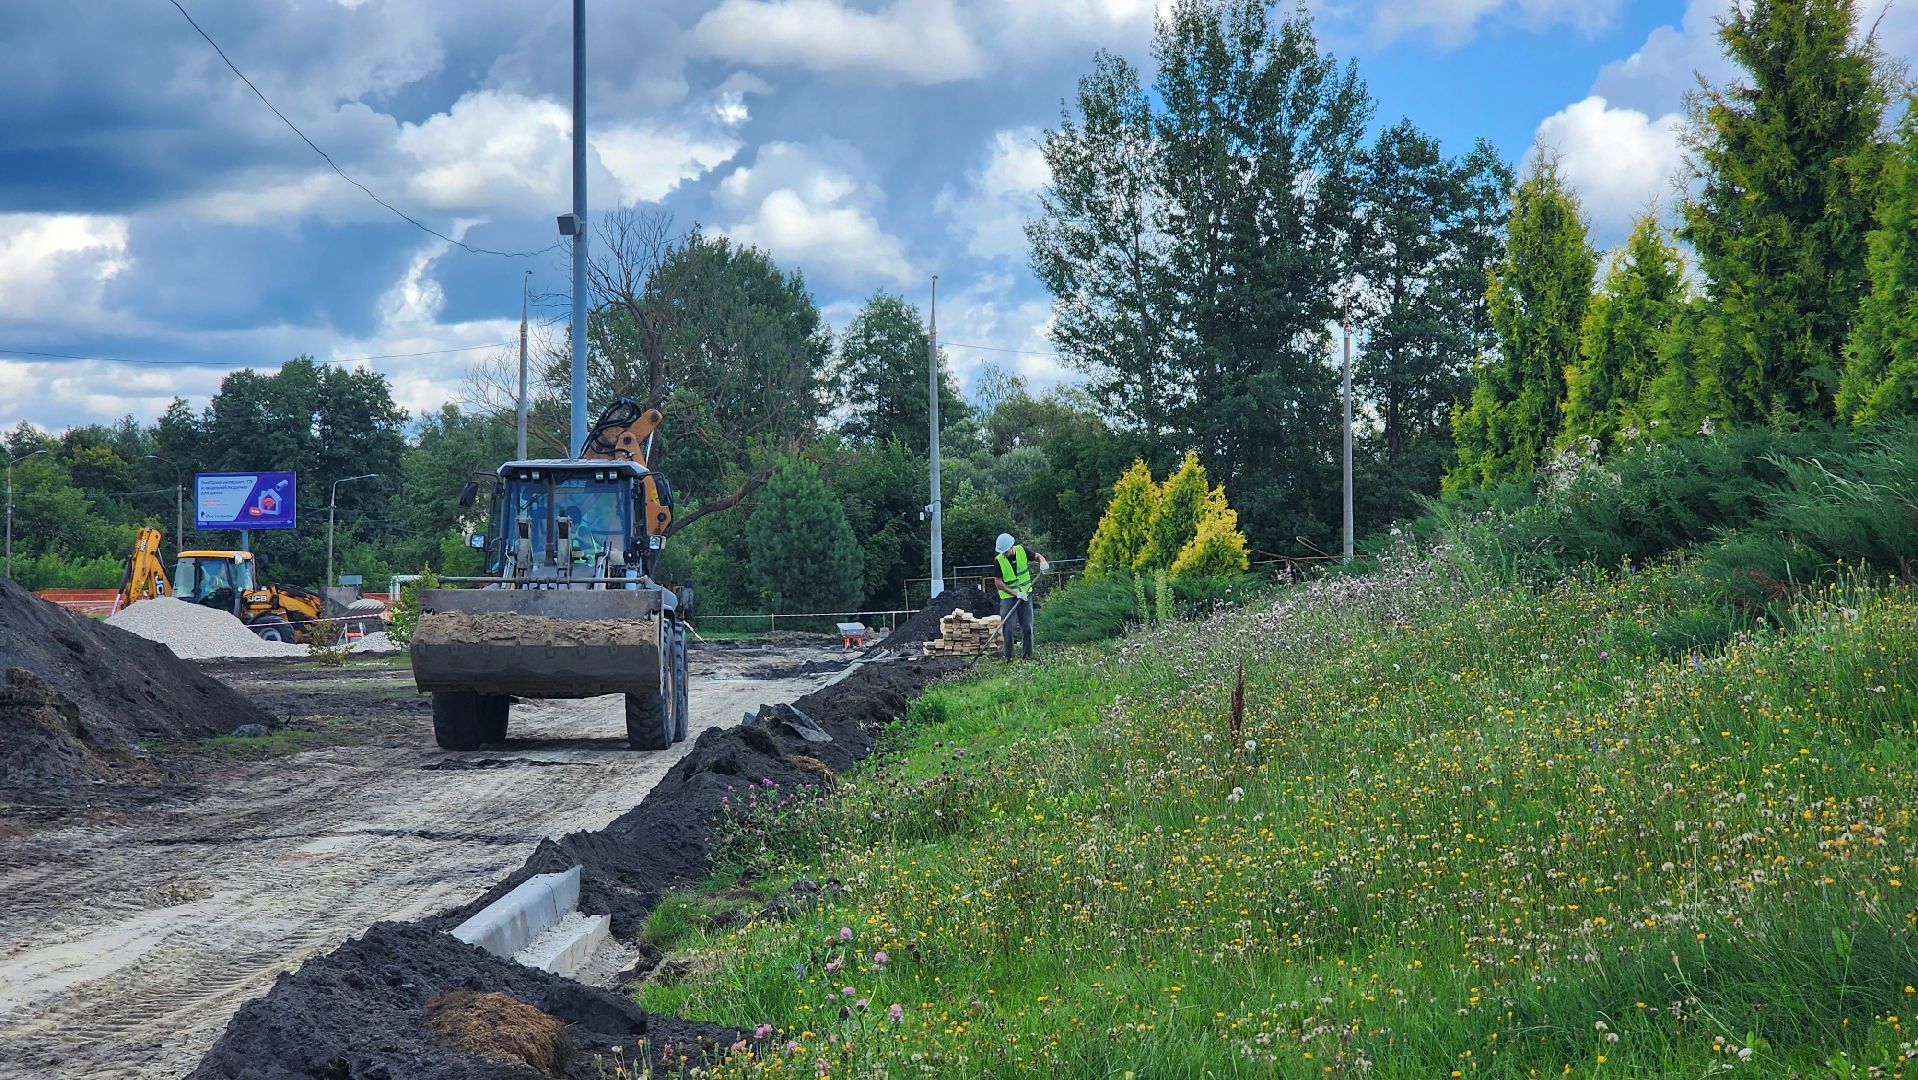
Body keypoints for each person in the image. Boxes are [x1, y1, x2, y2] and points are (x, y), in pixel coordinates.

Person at [990, 532, 1047, 661]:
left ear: (1011, 546)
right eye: (1002, 551)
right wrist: (1016, 594)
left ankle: (1027, 656)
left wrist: (1043, 562)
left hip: (1026, 595)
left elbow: (1038, 556)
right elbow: (998, 583)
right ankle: (1009, 657)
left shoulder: (1022, 551)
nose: (1004, 553)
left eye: (1006, 551)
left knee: (1027, 627)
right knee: (1008, 628)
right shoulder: (998, 561)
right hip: (1008, 597)